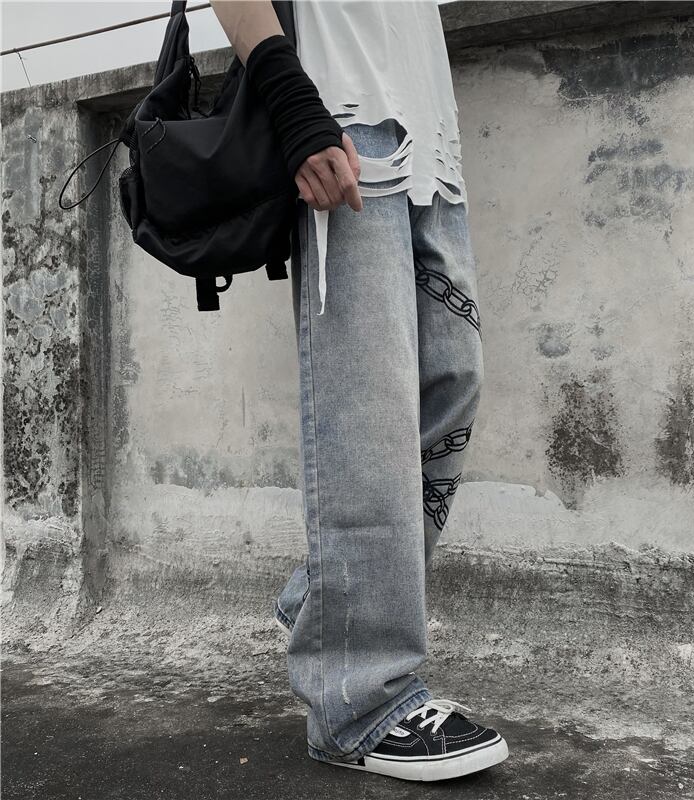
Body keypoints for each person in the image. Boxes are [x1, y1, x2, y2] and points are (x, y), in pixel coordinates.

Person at [209, 0, 507, 782]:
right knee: (368, 409)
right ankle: (359, 702)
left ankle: (327, 603)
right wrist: (293, 106)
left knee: (452, 382)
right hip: (341, 119)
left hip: (428, 132)